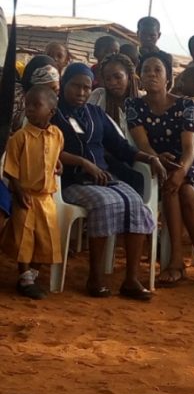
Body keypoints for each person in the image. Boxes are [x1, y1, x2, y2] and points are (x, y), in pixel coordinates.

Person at [53, 62, 166, 300]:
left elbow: (121, 147)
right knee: (105, 204)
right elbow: (47, 148)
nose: (81, 92)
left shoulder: (95, 114)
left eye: (86, 87)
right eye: (75, 86)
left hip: (103, 178)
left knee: (136, 203)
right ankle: (95, 277)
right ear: (64, 85)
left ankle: (131, 279)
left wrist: (150, 158)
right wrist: (83, 163)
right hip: (71, 181)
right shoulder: (53, 113)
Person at [126, 52, 194, 288]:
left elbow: (189, 149)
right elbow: (143, 144)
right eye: (146, 70)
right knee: (179, 189)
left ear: (168, 77)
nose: (151, 74)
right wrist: (158, 160)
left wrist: (180, 171)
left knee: (180, 187)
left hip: (191, 165)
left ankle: (179, 262)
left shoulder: (185, 105)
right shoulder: (134, 106)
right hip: (157, 164)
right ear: (140, 77)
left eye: (157, 70)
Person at [1, 85, 63, 299]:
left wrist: (58, 164)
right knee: (24, 239)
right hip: (26, 196)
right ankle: (24, 277)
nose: (30, 109)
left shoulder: (57, 134)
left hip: (46, 198)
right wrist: (18, 191)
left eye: (37, 105)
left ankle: (34, 273)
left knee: (46, 238)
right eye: (28, 105)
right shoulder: (20, 137)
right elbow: (10, 168)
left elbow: (54, 155)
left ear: (51, 112)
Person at [88, 52, 144, 195]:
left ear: (129, 77)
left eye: (118, 77)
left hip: (138, 159)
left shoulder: (142, 101)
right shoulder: (99, 96)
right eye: (108, 78)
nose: (112, 83)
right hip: (106, 161)